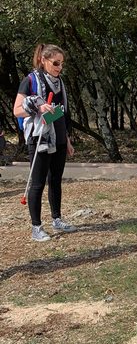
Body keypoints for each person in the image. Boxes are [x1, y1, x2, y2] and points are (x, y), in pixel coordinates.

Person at [13, 43, 76, 242]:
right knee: (38, 183)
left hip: (58, 139)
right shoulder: (30, 80)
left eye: (62, 64)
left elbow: (62, 114)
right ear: (43, 60)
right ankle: (36, 227)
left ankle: (57, 219)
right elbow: (17, 110)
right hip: (40, 139)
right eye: (56, 63)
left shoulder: (60, 83)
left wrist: (67, 140)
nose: (59, 67)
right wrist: (37, 107)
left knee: (55, 181)